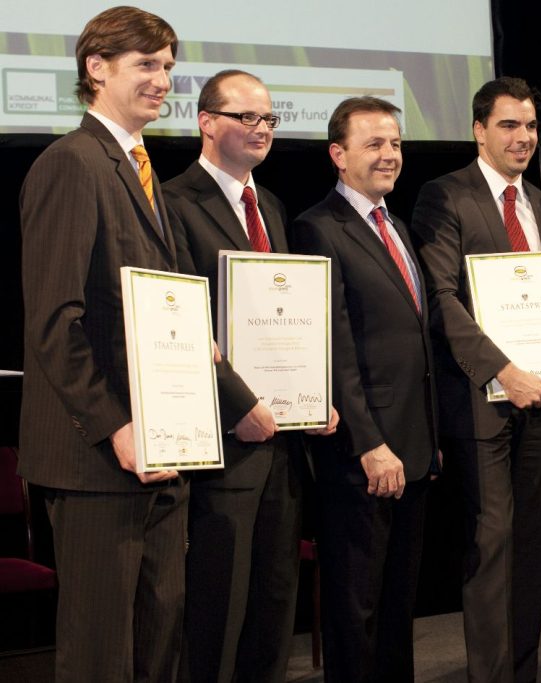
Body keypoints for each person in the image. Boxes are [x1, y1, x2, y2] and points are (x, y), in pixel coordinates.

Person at [17, 7, 187, 681]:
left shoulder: (136, 167)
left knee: (155, 643)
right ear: (96, 67)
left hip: (161, 448)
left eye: (168, 67)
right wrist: (117, 426)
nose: (162, 80)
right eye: (146, 64)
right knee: (99, 654)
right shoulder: (71, 164)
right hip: (97, 457)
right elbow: (57, 320)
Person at [163, 70, 338, 682]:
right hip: (224, 440)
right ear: (207, 122)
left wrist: (315, 394)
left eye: (269, 119)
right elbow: (181, 320)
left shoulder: (275, 207)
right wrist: (240, 404)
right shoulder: (173, 203)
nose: (262, 129)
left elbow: (285, 317)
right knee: (218, 608)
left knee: (272, 606)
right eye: (247, 117)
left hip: (284, 442)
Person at [410, 76, 541, 683]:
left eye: (529, 126)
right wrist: (504, 369)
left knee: (533, 549)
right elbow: (440, 298)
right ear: (479, 130)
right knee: (491, 550)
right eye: (509, 125)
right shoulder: (443, 196)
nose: (522, 137)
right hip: (481, 402)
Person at [290, 96, 436, 682]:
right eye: (373, 144)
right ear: (338, 154)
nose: (389, 155)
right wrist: (368, 442)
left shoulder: (396, 225)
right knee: (358, 610)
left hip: (415, 449)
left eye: (395, 143)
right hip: (363, 455)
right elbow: (334, 350)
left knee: (399, 608)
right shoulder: (317, 226)